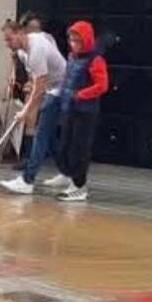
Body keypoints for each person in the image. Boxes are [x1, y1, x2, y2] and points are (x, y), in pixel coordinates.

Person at [0, 19, 67, 195]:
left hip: (62, 87)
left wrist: (25, 110)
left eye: (9, 39)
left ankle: (27, 180)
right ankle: (67, 172)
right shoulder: (23, 51)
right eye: (5, 40)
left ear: (21, 33)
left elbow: (40, 86)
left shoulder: (36, 50)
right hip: (51, 86)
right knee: (48, 134)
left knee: (41, 131)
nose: (7, 44)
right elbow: (48, 39)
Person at [50, 21, 109, 202]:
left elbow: (102, 85)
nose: (73, 43)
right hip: (69, 108)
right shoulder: (72, 57)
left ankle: (79, 186)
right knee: (63, 147)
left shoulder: (95, 60)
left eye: (77, 40)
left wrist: (81, 94)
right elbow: (67, 79)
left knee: (79, 149)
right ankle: (70, 177)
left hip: (85, 111)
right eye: (71, 39)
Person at [11, 12, 43, 170]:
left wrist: (32, 83)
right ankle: (27, 156)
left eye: (38, 28)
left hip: (44, 87)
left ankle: (30, 158)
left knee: (34, 122)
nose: (35, 32)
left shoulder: (40, 46)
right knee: (30, 121)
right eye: (32, 28)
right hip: (30, 87)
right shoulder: (21, 49)